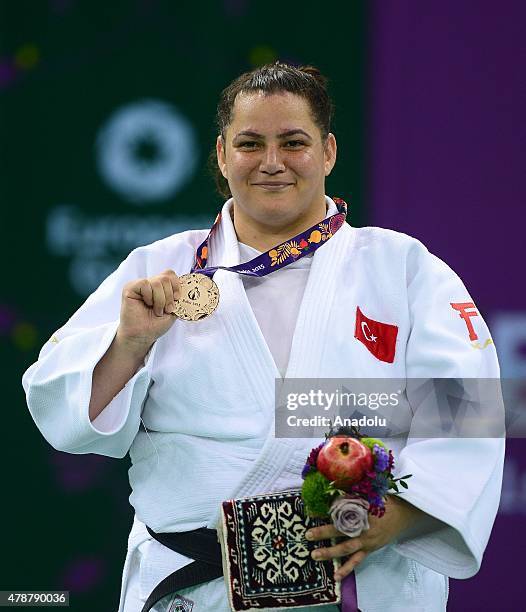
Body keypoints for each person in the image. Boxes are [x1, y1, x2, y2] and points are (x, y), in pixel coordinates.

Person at [22, 62, 504, 612]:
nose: (271, 163)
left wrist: (399, 517)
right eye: (250, 143)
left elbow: (471, 412)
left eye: (293, 142)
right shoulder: (160, 269)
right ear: (223, 155)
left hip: (362, 581)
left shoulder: (403, 269)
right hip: (196, 587)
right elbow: (62, 415)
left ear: (328, 152)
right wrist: (130, 343)